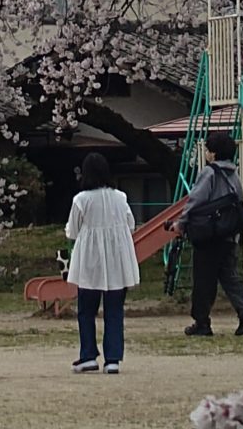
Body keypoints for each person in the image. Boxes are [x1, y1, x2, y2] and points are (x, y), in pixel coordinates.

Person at [63, 151, 140, 374]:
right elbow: (130, 224)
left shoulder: (81, 200)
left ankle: (88, 355)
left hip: (90, 260)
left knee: (86, 309)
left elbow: (73, 231)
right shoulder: (121, 197)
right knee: (114, 310)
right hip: (117, 259)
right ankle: (112, 359)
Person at [182, 131, 243, 337]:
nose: (206, 153)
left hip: (209, 236)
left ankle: (202, 322)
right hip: (229, 236)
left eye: (208, 150)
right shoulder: (234, 175)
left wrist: (182, 222)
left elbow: (196, 201)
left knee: (203, 281)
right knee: (230, 277)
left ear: (213, 153)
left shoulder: (209, 173)